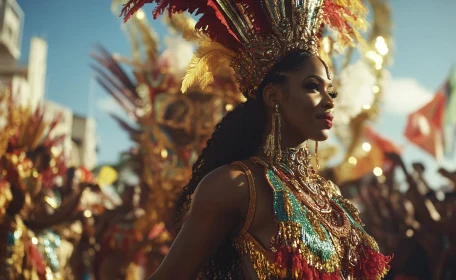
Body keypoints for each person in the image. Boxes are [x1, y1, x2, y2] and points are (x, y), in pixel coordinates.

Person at [120, 0, 392, 279]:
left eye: (330, 91)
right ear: (273, 96)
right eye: (312, 87)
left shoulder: (330, 194)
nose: (328, 102)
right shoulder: (234, 185)